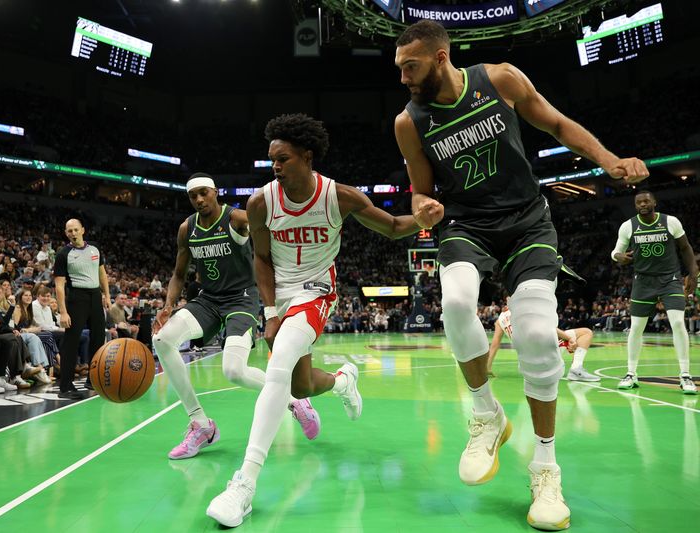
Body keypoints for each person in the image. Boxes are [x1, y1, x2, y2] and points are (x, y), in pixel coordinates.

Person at [392, 21, 648, 530]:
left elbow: (555, 123)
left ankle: (546, 468)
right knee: (459, 304)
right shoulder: (408, 121)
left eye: (411, 66)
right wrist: (423, 208)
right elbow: (420, 191)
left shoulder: (500, 79)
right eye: (399, 68)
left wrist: (607, 159)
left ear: (441, 57)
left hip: (528, 221)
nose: (403, 78)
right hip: (466, 225)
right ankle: (487, 415)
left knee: (535, 335)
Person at [206, 114, 422, 527]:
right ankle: (343, 380)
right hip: (279, 294)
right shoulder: (260, 203)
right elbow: (262, 258)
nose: (275, 166)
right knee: (300, 385)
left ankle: (243, 486)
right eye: (272, 159)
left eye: (283, 158)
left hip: (317, 290)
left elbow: (394, 227)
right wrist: (270, 312)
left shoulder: (339, 197)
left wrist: (428, 218)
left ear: (307, 157)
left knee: (278, 366)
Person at [152, 173, 321, 461]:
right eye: (193, 196)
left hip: (241, 298)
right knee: (163, 339)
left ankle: (294, 402)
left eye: (204, 193)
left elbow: (272, 229)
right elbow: (179, 274)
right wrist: (168, 306)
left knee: (233, 371)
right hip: (208, 300)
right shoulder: (187, 229)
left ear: (215, 192)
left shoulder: (236, 219)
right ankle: (201, 425)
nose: (199, 200)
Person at [612, 190, 697, 394]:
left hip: (670, 279)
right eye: (639, 202)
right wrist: (619, 257)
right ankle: (631, 373)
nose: (642, 204)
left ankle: (685, 375)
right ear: (635, 205)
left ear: (654, 202)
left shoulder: (670, 222)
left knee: (677, 322)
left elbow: (685, 248)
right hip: (643, 281)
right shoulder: (628, 226)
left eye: (646, 201)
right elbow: (616, 251)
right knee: (636, 328)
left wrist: (694, 274)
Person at [54, 218, 110, 399]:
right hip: (76, 298)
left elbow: (102, 273)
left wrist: (107, 295)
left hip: (95, 296)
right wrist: (63, 311)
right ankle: (65, 387)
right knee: (71, 341)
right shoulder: (63, 254)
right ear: (66, 233)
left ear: (83, 230)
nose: (73, 233)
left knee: (98, 339)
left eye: (76, 230)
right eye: (69, 231)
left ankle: (93, 379)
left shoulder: (95, 248)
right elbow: (59, 285)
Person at [487, 305, 600, 381]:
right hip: (544, 354)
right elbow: (548, 328)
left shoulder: (500, 320)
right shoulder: (524, 310)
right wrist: (568, 338)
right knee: (586, 333)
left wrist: (487, 368)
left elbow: (495, 345)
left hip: (526, 363)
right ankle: (576, 369)